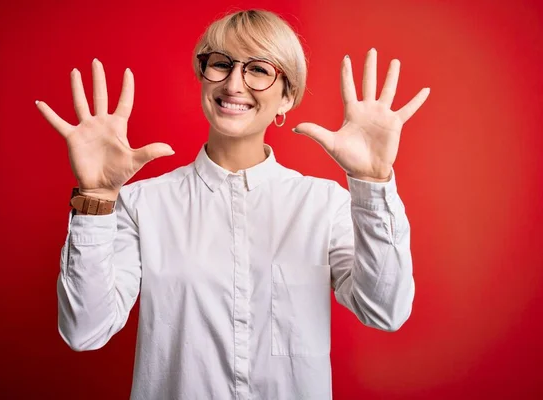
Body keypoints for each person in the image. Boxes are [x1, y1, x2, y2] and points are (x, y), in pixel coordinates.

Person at [35, 9, 429, 400]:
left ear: (286, 97)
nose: (234, 84)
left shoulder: (324, 205)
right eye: (221, 64)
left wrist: (373, 184)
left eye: (258, 69)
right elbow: (84, 330)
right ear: (203, 78)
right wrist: (97, 198)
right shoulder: (143, 205)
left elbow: (385, 310)